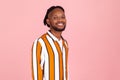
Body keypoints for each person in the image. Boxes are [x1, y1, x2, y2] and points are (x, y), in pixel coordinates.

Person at [32, 6, 69, 80]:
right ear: (48, 21)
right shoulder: (40, 42)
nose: (60, 20)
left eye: (62, 17)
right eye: (55, 18)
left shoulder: (65, 44)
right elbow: (36, 73)